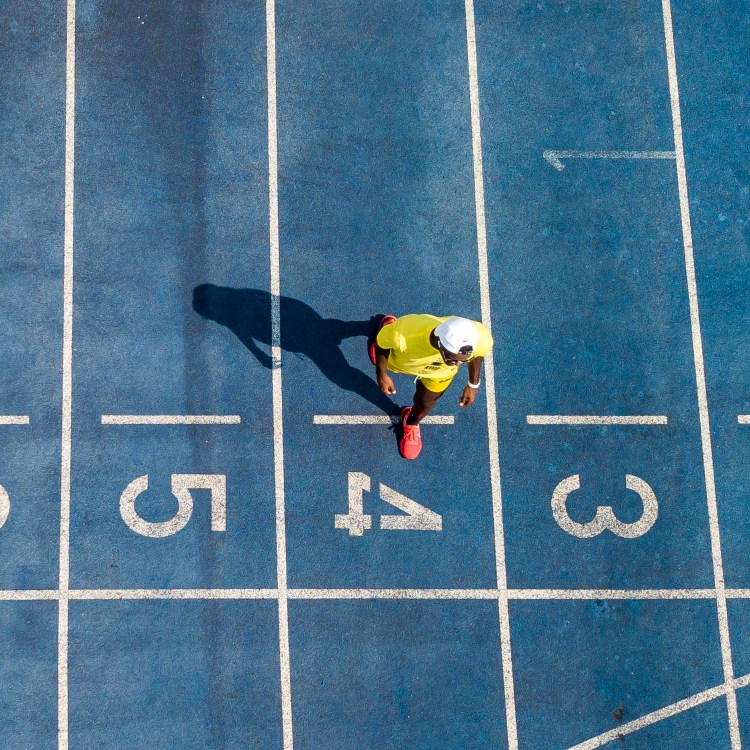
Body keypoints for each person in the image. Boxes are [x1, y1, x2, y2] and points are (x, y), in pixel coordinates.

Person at [369, 314, 493, 459]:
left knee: (426, 402)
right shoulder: (404, 334)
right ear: (440, 343)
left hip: (439, 375)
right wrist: (381, 374)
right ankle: (388, 327)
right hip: (399, 362)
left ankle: (411, 423)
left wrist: (473, 384)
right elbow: (382, 344)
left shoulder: (482, 339)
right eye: (452, 359)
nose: (458, 364)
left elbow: (478, 354)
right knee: (385, 339)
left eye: (463, 361)